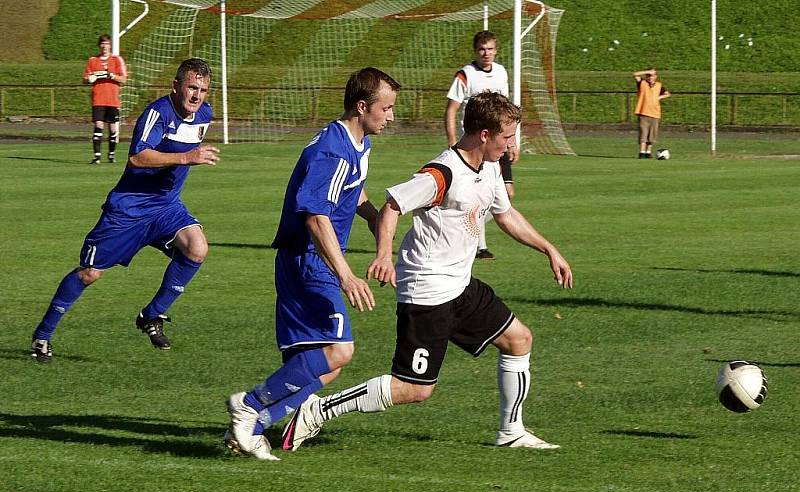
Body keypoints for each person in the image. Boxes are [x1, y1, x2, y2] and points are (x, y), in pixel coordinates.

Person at [281, 91, 573, 454]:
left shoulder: (491, 168)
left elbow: (506, 214)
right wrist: (384, 256)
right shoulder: (442, 173)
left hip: (461, 286)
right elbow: (392, 207)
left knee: (519, 340)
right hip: (427, 292)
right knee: (415, 389)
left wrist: (549, 249)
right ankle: (319, 408)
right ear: (484, 134)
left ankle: (511, 431)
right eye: (507, 136)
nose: (512, 145)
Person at [224, 67, 401, 461]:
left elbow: (349, 190)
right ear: (362, 106)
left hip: (308, 261)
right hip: (310, 261)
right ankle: (250, 404)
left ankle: (251, 428)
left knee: (324, 368)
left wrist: (375, 218)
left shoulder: (354, 143)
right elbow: (315, 215)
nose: (391, 116)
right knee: (340, 351)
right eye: (385, 108)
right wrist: (347, 276)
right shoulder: (332, 151)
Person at [31, 58, 219, 362]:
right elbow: (137, 158)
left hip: (165, 208)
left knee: (197, 249)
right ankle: (42, 335)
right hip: (129, 210)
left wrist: (185, 159)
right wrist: (187, 158)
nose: (197, 96)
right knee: (90, 274)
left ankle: (152, 316)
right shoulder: (157, 113)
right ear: (176, 86)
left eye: (203, 90)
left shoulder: (204, 114)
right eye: (192, 87)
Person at [445, 30, 519, 260]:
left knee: (503, 193)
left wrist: (512, 139)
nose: (486, 53)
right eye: (481, 49)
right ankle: (478, 245)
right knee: (477, 193)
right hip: (474, 145)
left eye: (490, 49)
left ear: (496, 50)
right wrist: (452, 143)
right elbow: (451, 110)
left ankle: (471, 237)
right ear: (475, 51)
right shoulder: (465, 75)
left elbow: (505, 109)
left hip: (497, 142)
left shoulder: (500, 72)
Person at [83, 34, 128, 164]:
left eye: (107, 43)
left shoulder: (116, 60)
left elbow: (124, 79)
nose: (104, 46)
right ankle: (96, 157)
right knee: (98, 126)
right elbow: (85, 78)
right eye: (102, 43)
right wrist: (89, 79)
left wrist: (112, 76)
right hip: (98, 99)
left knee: (113, 129)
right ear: (99, 45)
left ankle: (111, 155)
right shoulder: (93, 60)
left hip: (112, 100)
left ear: (110, 46)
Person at [633, 68, 671, 158]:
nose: (650, 77)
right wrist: (647, 71)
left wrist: (659, 97)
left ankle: (648, 152)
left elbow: (668, 94)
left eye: (652, 75)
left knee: (652, 134)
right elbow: (635, 74)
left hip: (655, 113)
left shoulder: (659, 85)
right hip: (644, 112)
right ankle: (642, 152)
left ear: (656, 76)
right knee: (643, 133)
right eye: (649, 76)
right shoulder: (642, 83)